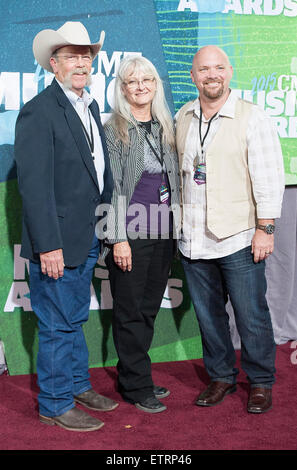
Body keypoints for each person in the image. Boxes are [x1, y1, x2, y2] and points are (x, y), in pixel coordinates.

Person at [14, 22, 118, 432]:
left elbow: (95, 175)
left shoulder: (88, 106)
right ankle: (55, 403)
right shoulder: (39, 111)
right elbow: (35, 187)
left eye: (86, 56)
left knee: (74, 318)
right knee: (57, 324)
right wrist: (49, 246)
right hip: (56, 242)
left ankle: (76, 384)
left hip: (86, 235)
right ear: (53, 65)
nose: (81, 63)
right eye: (72, 56)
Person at [175, 45, 284, 414]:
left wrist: (265, 228)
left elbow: (269, 176)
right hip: (193, 240)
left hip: (238, 236)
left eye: (218, 67)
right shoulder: (183, 116)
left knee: (251, 314)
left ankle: (260, 381)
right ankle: (221, 376)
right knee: (208, 316)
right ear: (193, 76)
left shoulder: (252, 118)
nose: (211, 75)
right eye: (204, 69)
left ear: (230, 72)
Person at [103, 55, 180, 413]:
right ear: (122, 88)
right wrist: (117, 237)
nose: (140, 86)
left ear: (155, 84)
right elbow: (112, 186)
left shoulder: (166, 124)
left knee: (148, 307)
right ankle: (137, 386)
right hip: (131, 231)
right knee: (131, 310)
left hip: (165, 230)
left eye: (146, 79)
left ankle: (133, 373)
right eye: (132, 81)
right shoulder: (114, 128)